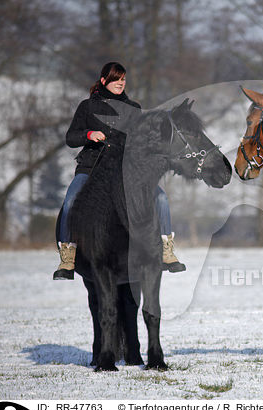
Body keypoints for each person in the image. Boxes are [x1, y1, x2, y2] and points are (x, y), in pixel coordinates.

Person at [53, 62, 185, 280]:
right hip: (91, 168)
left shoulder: (134, 108)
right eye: (116, 79)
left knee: (161, 198)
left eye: (123, 79)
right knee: (70, 202)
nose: (120, 83)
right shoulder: (86, 107)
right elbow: (70, 138)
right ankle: (68, 258)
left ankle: (166, 251)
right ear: (104, 81)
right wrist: (89, 135)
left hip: (126, 171)